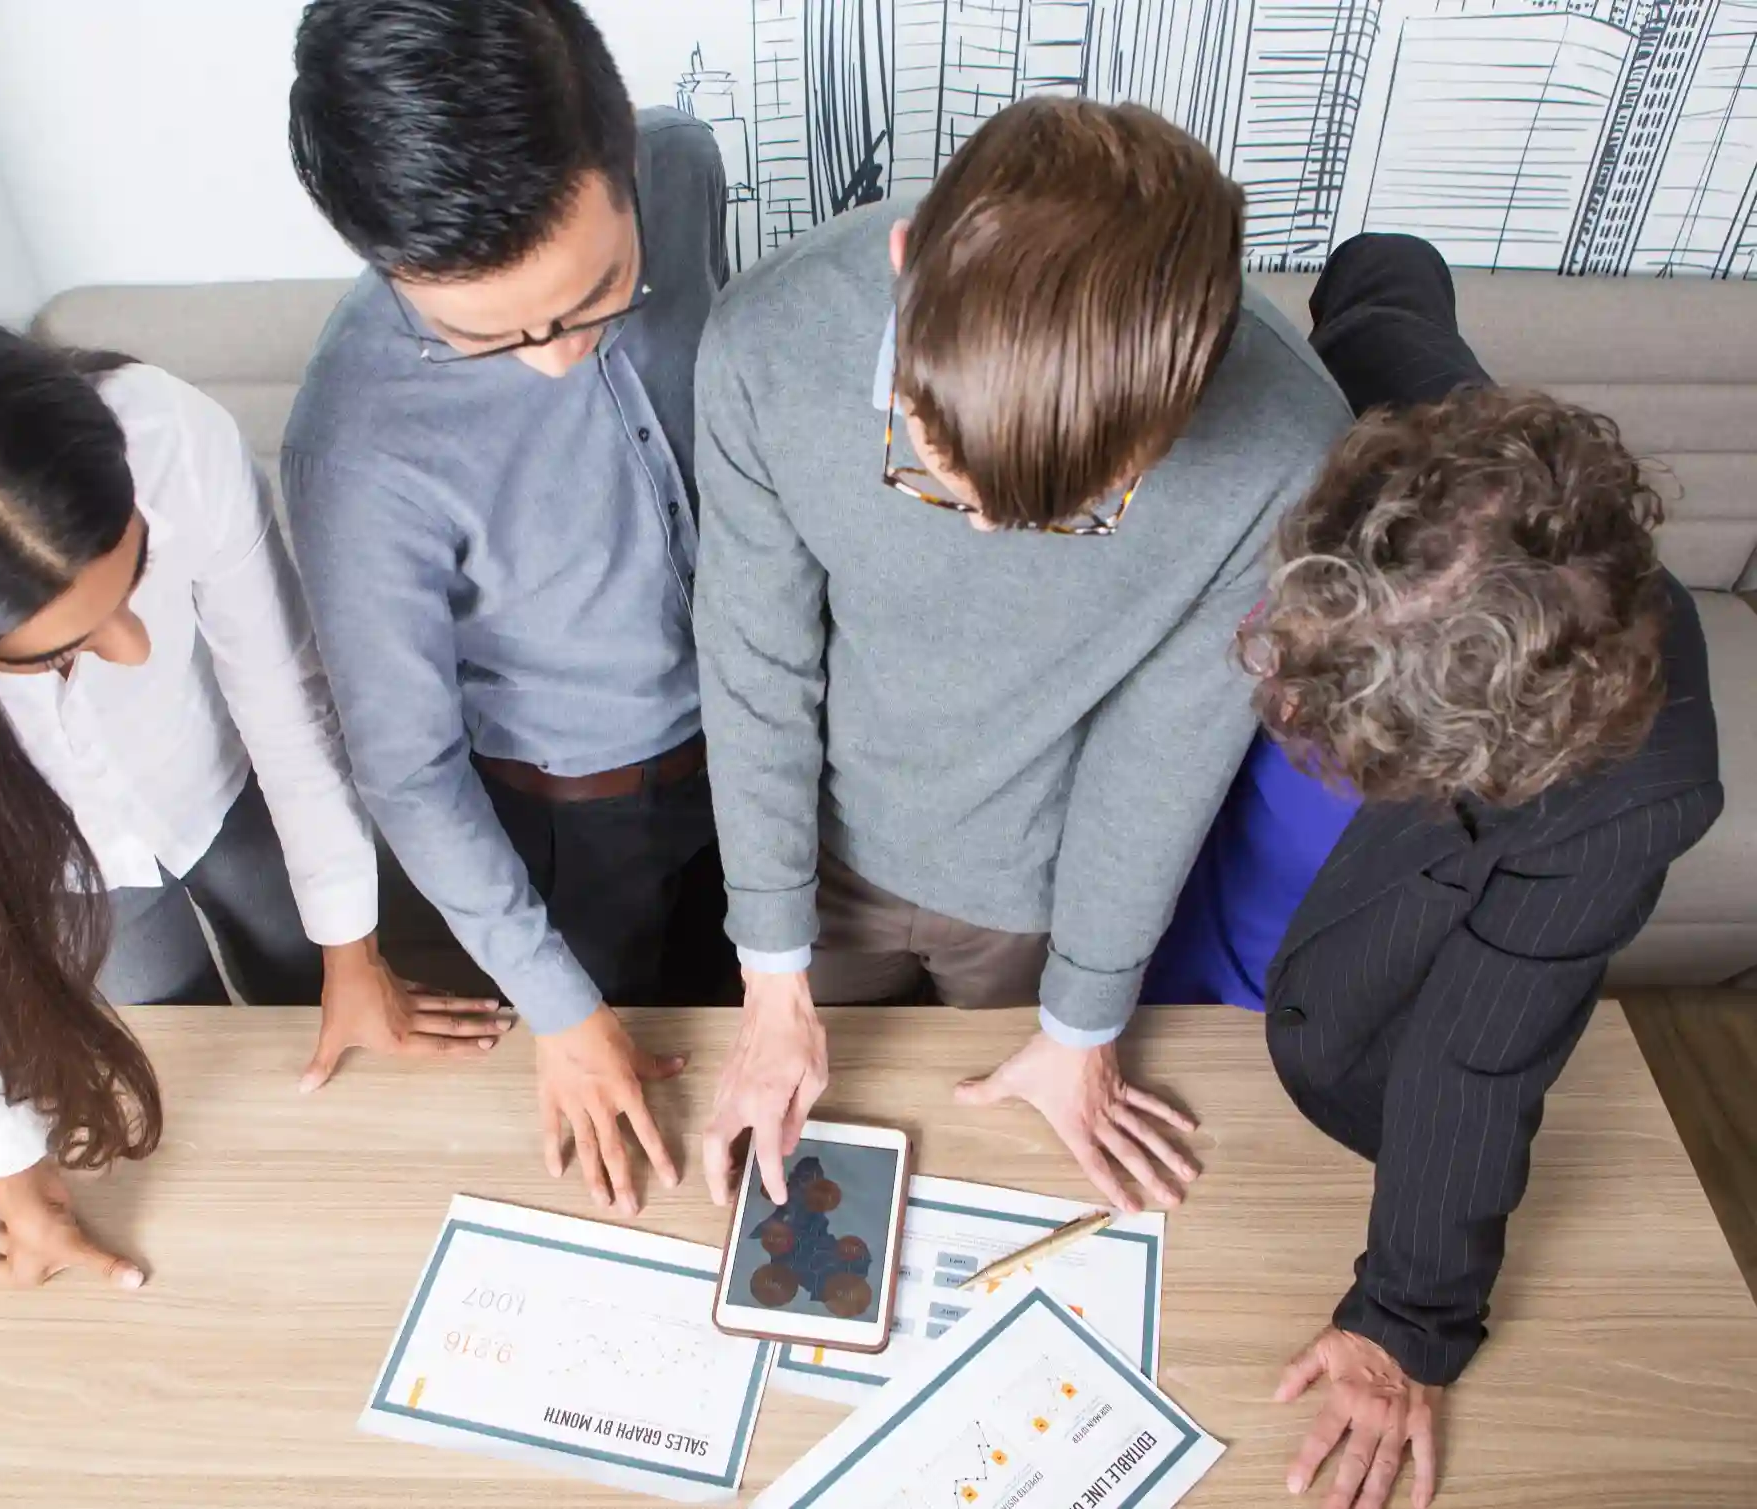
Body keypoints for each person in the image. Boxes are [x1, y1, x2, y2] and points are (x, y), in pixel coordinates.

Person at [692, 97, 1352, 1213]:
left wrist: (1082, 1022)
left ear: (1190, 393)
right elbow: (756, 666)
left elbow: (1162, 753)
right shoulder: (766, 341)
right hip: (814, 851)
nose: (987, 533)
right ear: (904, 267)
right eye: (936, 468)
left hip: (1042, 896)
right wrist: (770, 975)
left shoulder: (1286, 450)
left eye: (1070, 510)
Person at [1147, 234, 1722, 1509]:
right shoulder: (1436, 452)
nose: (1269, 689)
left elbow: (1481, 1057)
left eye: (1321, 718)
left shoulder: (1633, 792)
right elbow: (1384, 265)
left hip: (1312, 1014)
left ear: (1493, 764)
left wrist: (1404, 1325)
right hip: (1151, 905)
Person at [0, 312, 507, 1289]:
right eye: (57, 652)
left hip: (231, 780)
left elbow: (286, 699)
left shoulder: (165, 434)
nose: (133, 648)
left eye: (136, 575)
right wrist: (17, 1187)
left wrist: (352, 955)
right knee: (175, 1068)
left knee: (331, 987)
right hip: (53, 866)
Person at [283, 0, 731, 1218]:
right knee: (625, 1127)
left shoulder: (684, 168)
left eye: (597, 296)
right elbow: (408, 772)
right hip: (575, 819)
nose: (553, 355)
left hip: (753, 737)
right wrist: (562, 1010)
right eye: (484, 335)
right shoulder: (355, 448)